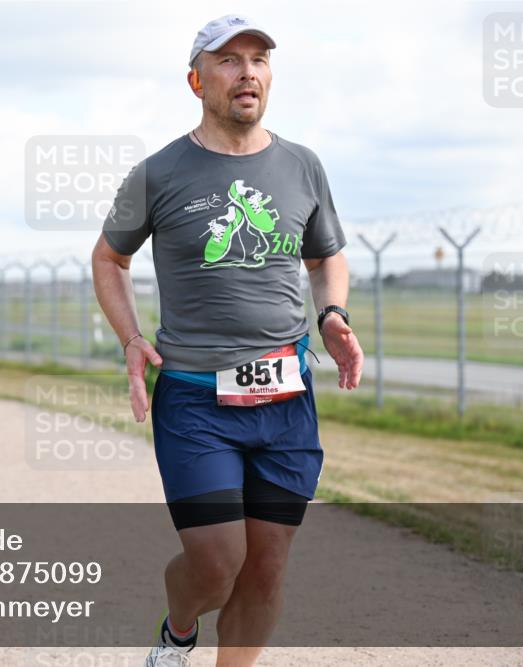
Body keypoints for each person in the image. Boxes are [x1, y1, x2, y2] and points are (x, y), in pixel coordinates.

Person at [91, 16, 364, 667]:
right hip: (194, 399)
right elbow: (108, 259)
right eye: (230, 59)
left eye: (260, 58)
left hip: (286, 397)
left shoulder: (303, 165)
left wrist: (331, 314)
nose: (248, 71)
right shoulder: (158, 173)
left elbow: (327, 257)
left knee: (265, 567)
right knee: (217, 563)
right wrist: (130, 335)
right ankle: (178, 627)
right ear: (197, 80)